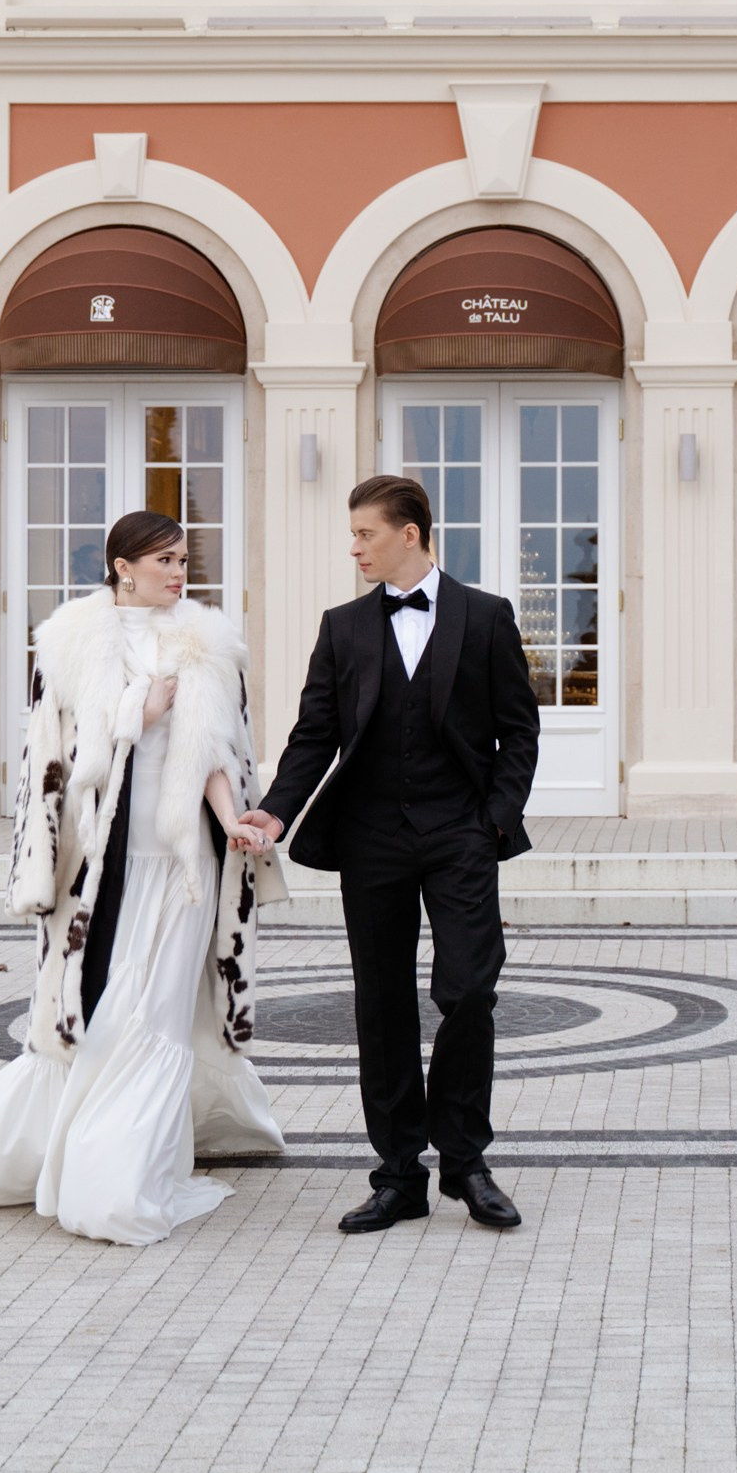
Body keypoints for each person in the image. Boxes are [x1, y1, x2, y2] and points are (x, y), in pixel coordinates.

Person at [0, 507, 285, 1246]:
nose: (177, 571)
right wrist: (139, 708)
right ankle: (79, 1162)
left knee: (160, 1010)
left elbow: (215, 755)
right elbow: (66, 762)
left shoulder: (206, 644)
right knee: (103, 1003)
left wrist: (233, 820)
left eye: (181, 559)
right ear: (121, 567)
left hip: (184, 865)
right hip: (104, 869)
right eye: (162, 559)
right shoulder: (70, 644)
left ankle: (133, 1171)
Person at [235, 474, 539, 1235]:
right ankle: (398, 1174)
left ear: (410, 534)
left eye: (365, 533)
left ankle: (466, 1163)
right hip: (371, 836)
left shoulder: (486, 616)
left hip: (459, 832)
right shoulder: (343, 627)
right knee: (381, 1003)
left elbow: (519, 731)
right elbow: (315, 735)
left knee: (469, 991)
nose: (355, 547)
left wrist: (495, 820)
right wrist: (275, 812)